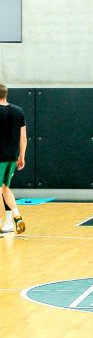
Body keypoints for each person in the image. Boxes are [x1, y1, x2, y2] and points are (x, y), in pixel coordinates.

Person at [0, 83, 27, 235]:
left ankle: (3, 223)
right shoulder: (18, 111)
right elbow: (23, 137)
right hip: (11, 156)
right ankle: (16, 217)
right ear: (6, 94)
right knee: (5, 188)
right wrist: (22, 156)